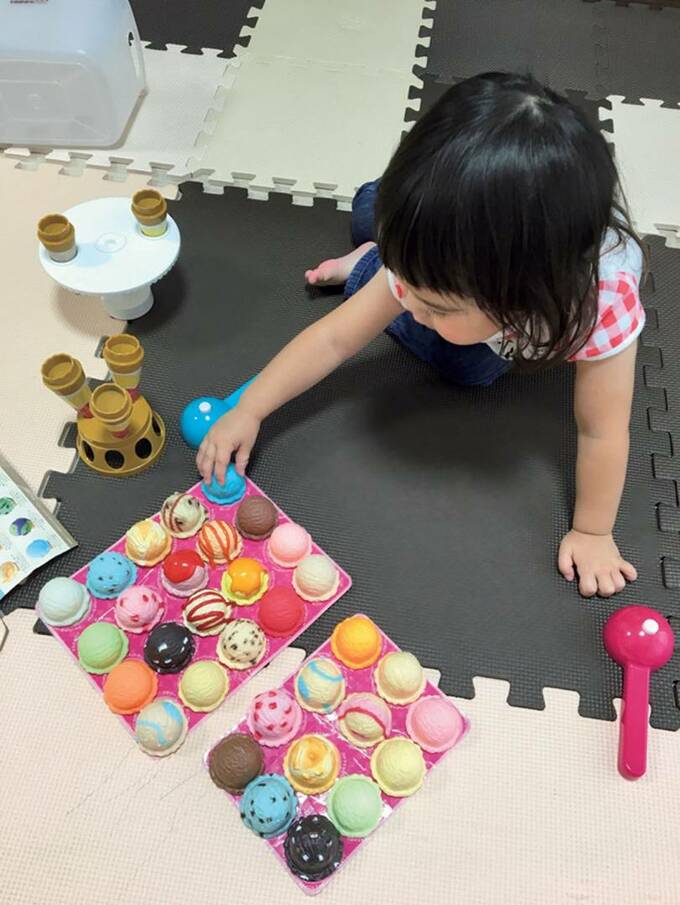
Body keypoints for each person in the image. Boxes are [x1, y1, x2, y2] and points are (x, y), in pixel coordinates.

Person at [197, 72, 645, 598]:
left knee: (467, 365)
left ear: (521, 300)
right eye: (405, 281)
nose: (408, 300)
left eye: (434, 304)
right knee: (371, 213)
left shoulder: (599, 305)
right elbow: (335, 339)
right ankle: (377, 241)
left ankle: (369, 260)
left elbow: (602, 431)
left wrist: (593, 531)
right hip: (443, 239)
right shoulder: (436, 263)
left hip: (500, 275)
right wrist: (250, 408)